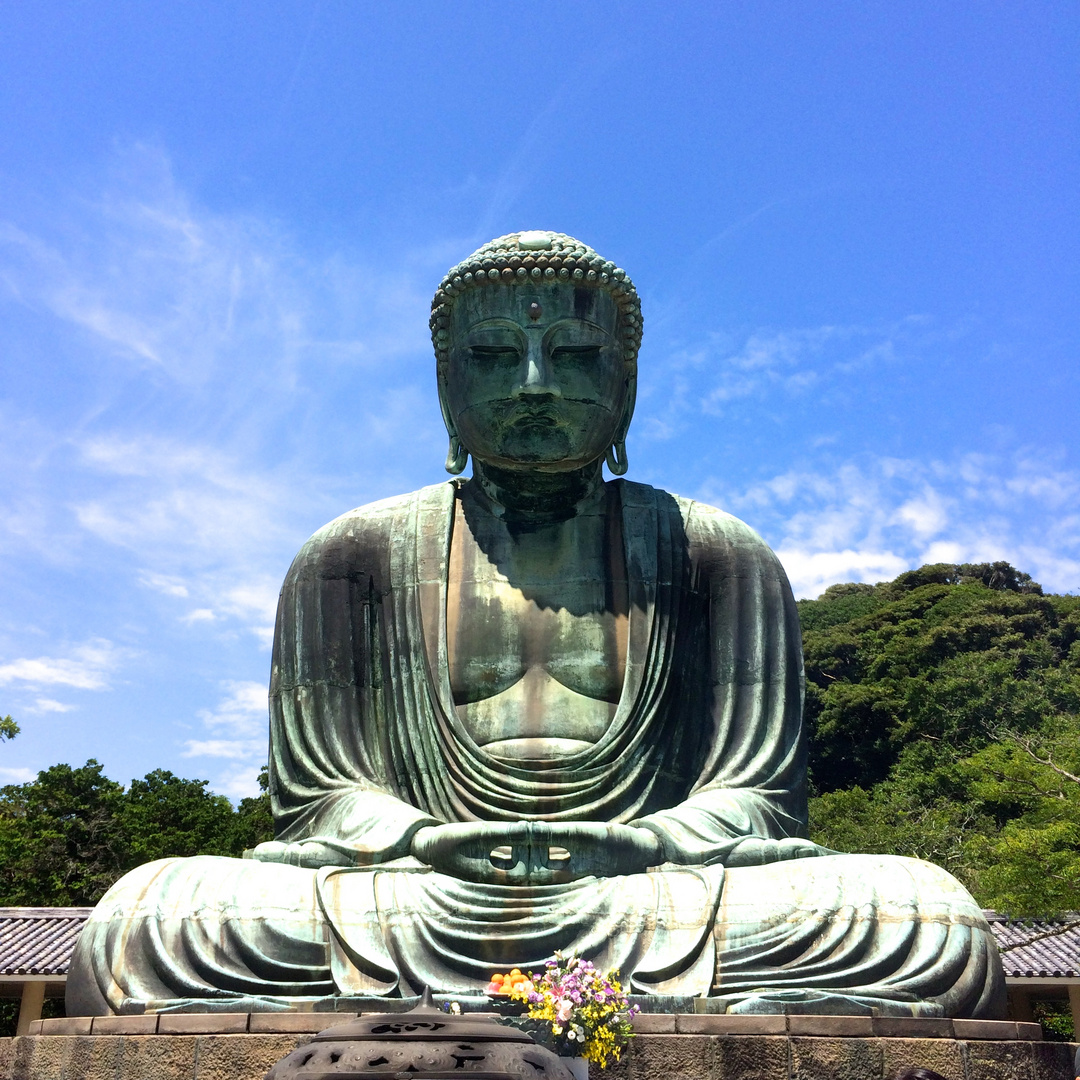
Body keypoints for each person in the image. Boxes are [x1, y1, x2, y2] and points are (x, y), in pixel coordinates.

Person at [66, 231, 1006, 1018]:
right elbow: (321, 799)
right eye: (489, 357)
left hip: (649, 891)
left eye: (575, 356)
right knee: (145, 920)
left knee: (924, 918)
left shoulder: (716, 553)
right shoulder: (348, 556)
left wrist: (640, 844)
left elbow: (757, 798)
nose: (532, 384)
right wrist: (419, 839)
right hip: (415, 890)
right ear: (445, 382)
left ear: (626, 377)